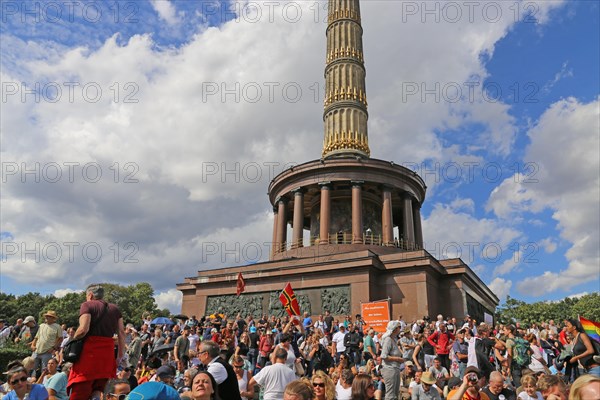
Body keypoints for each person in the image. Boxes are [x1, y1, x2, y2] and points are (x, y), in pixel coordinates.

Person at [67, 284, 126, 400]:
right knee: (99, 389)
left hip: (89, 354)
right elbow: (122, 333)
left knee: (80, 390)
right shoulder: (115, 309)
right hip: (107, 356)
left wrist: (72, 341)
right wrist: (120, 355)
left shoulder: (87, 305)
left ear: (90, 295)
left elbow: (83, 329)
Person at [31, 311, 63, 376]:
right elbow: (36, 337)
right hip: (36, 351)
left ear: (53, 318)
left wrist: (53, 348)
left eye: (48, 316)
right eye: (46, 316)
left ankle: (44, 384)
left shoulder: (57, 326)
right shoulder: (41, 325)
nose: (46, 317)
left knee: (45, 370)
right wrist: (32, 345)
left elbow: (60, 339)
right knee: (31, 369)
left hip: (47, 352)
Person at [381, 320, 404, 400]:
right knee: (390, 394)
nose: (400, 329)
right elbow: (383, 356)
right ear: (394, 329)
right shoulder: (388, 340)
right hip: (389, 369)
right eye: (399, 327)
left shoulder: (393, 340)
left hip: (395, 368)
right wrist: (397, 359)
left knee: (395, 394)